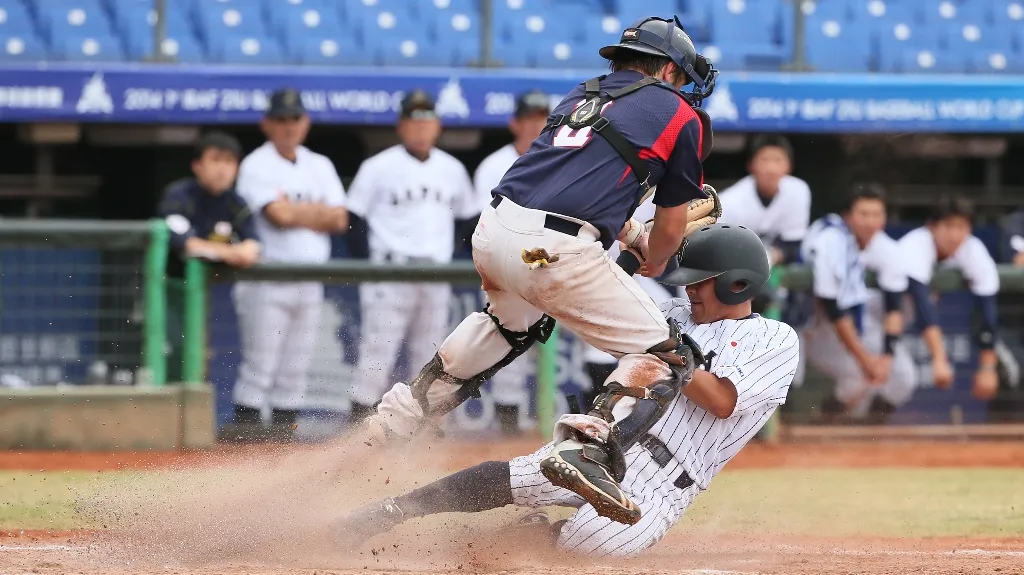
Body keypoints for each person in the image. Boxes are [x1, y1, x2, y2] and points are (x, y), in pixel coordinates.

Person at [353, 15, 719, 526]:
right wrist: (655, 251)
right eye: (681, 76)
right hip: (554, 247)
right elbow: (669, 229)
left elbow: (583, 193)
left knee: (508, 325)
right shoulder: (681, 114)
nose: (684, 87)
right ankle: (586, 447)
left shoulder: (582, 95)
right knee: (668, 354)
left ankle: (396, 420)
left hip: (497, 227)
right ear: (667, 69)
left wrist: (631, 237)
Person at [336, 224, 799, 557]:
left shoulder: (775, 339)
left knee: (594, 543)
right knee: (518, 476)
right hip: (605, 445)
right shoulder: (673, 318)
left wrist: (669, 348)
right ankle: (388, 512)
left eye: (701, 281)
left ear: (738, 284)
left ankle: (532, 536)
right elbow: (603, 299)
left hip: (664, 481)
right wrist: (631, 247)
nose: (690, 291)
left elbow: (722, 400)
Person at [345, 90, 479, 424]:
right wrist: (370, 266)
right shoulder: (378, 166)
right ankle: (359, 422)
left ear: (438, 126)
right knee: (378, 350)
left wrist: (448, 251)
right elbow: (353, 220)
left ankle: (424, 426)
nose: (421, 128)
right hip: (391, 271)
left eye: (427, 120)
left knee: (432, 353)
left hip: (435, 273)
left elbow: (468, 218)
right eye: (413, 120)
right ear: (401, 126)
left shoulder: (451, 168)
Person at [230, 88, 349, 442]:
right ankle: (245, 444)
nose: (288, 126)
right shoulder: (256, 164)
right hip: (268, 277)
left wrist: (300, 213)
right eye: (280, 119)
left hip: (309, 280)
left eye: (294, 118)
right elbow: (277, 215)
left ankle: (280, 445)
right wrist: (317, 213)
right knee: (260, 365)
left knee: (295, 368)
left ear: (305, 122)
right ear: (267, 124)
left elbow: (340, 219)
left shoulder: (320, 164)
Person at [798, 185, 918, 423]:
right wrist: (865, 361)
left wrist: (885, 357)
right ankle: (817, 430)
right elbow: (834, 309)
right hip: (815, 326)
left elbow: (894, 309)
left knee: (904, 377)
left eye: (877, 214)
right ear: (848, 216)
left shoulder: (887, 249)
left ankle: (868, 436)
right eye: (863, 214)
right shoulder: (831, 241)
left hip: (861, 324)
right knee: (855, 374)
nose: (870, 221)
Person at [472, 89, 552, 435]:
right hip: (505, 263)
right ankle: (505, 434)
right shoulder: (493, 163)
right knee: (506, 343)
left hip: (551, 264)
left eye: (542, 118)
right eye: (529, 118)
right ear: (514, 123)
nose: (536, 125)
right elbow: (481, 223)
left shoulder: (559, 157)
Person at [157, 131, 260, 384]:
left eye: (229, 161)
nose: (223, 169)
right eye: (215, 160)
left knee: (202, 362)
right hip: (168, 292)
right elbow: (187, 244)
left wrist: (237, 251)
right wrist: (228, 252)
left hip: (210, 299)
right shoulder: (180, 195)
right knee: (168, 356)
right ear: (198, 165)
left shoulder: (235, 202)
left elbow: (252, 247)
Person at [898, 195, 1007, 402]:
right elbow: (922, 304)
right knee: (888, 381)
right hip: (867, 317)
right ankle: (835, 428)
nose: (955, 235)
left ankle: (843, 428)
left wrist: (987, 368)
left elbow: (987, 310)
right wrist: (939, 358)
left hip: (893, 326)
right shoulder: (914, 245)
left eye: (962, 227)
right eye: (948, 226)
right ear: (932, 226)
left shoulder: (973, 249)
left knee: (898, 383)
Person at [717, 135, 810, 268]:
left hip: (775, 267)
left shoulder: (798, 191)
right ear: (750, 165)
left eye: (778, 160)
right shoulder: (730, 202)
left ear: (789, 166)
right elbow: (720, 249)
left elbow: (794, 245)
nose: (771, 169)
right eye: (764, 160)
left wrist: (771, 256)